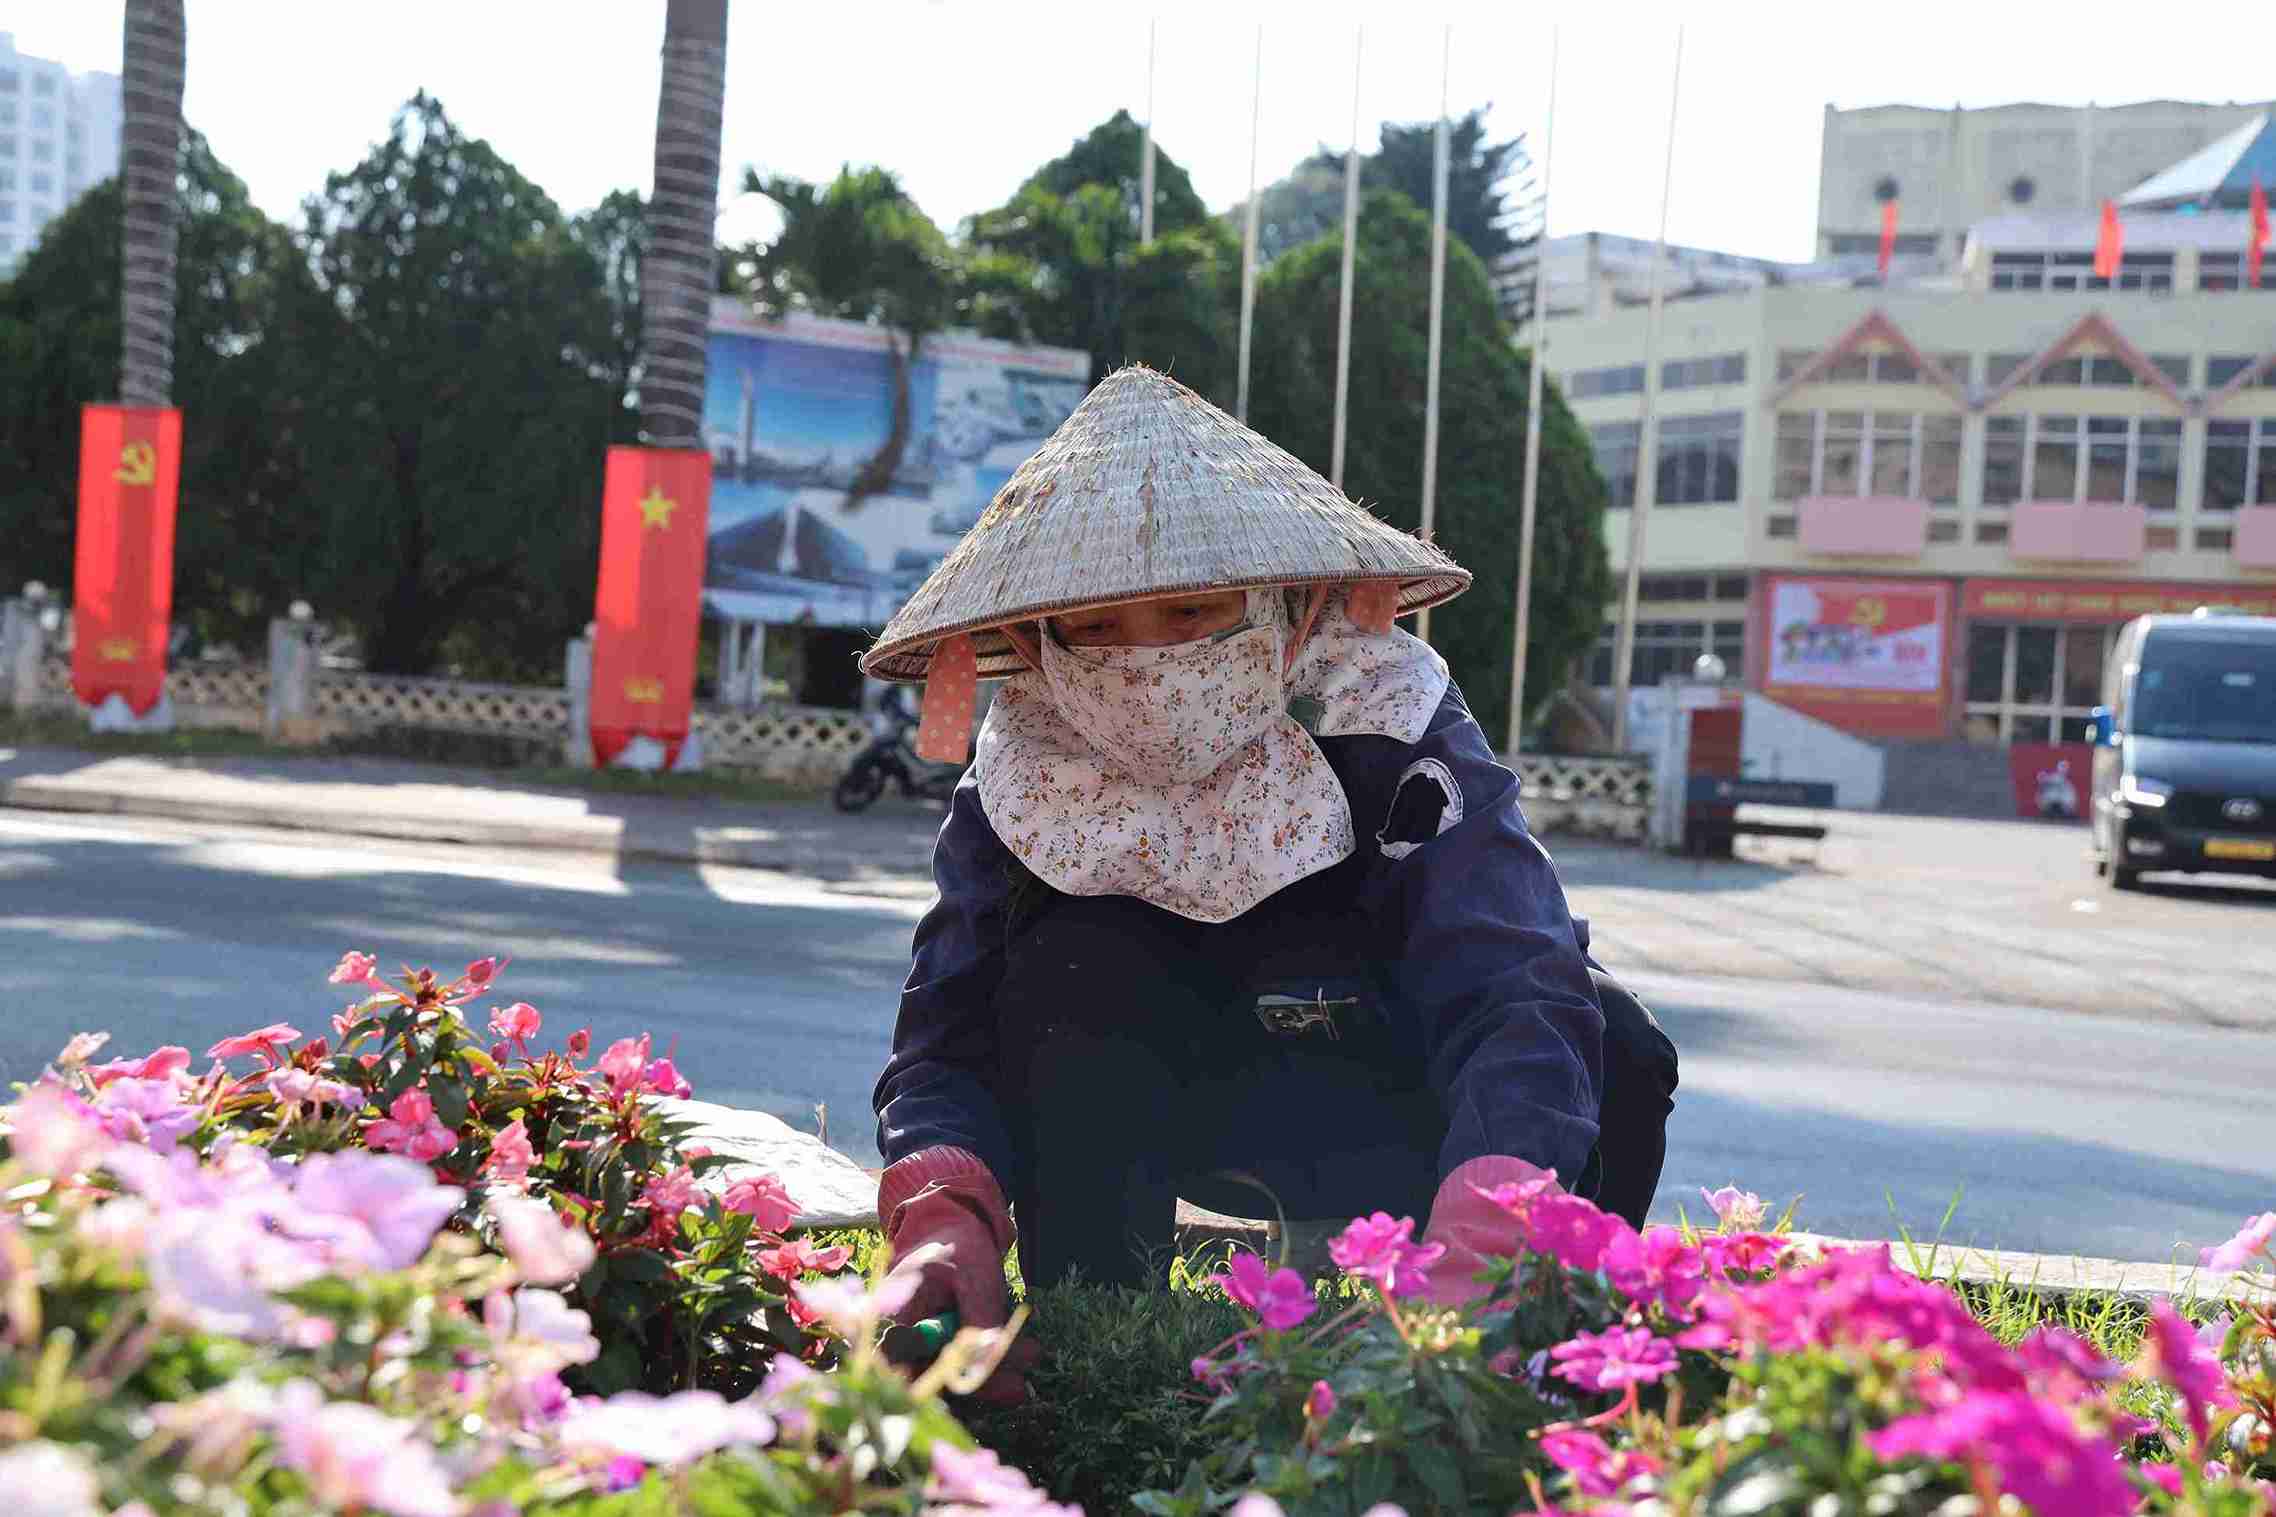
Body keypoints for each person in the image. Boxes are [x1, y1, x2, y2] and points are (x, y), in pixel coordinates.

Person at [861, 367, 1676, 1400]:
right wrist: (943, 1217)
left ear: (1280, 607)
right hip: (1137, 1107)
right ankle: (1088, 1346)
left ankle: (1544, 1360)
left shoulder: (1384, 709)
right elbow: (943, 1030)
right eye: (1099, 625)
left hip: (1372, 1083)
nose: (1149, 656)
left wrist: (1491, 1220)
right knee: (1074, 964)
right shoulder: (1024, 762)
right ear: (1036, 638)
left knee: (1617, 1046)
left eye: (1193, 608)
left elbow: (1513, 975)